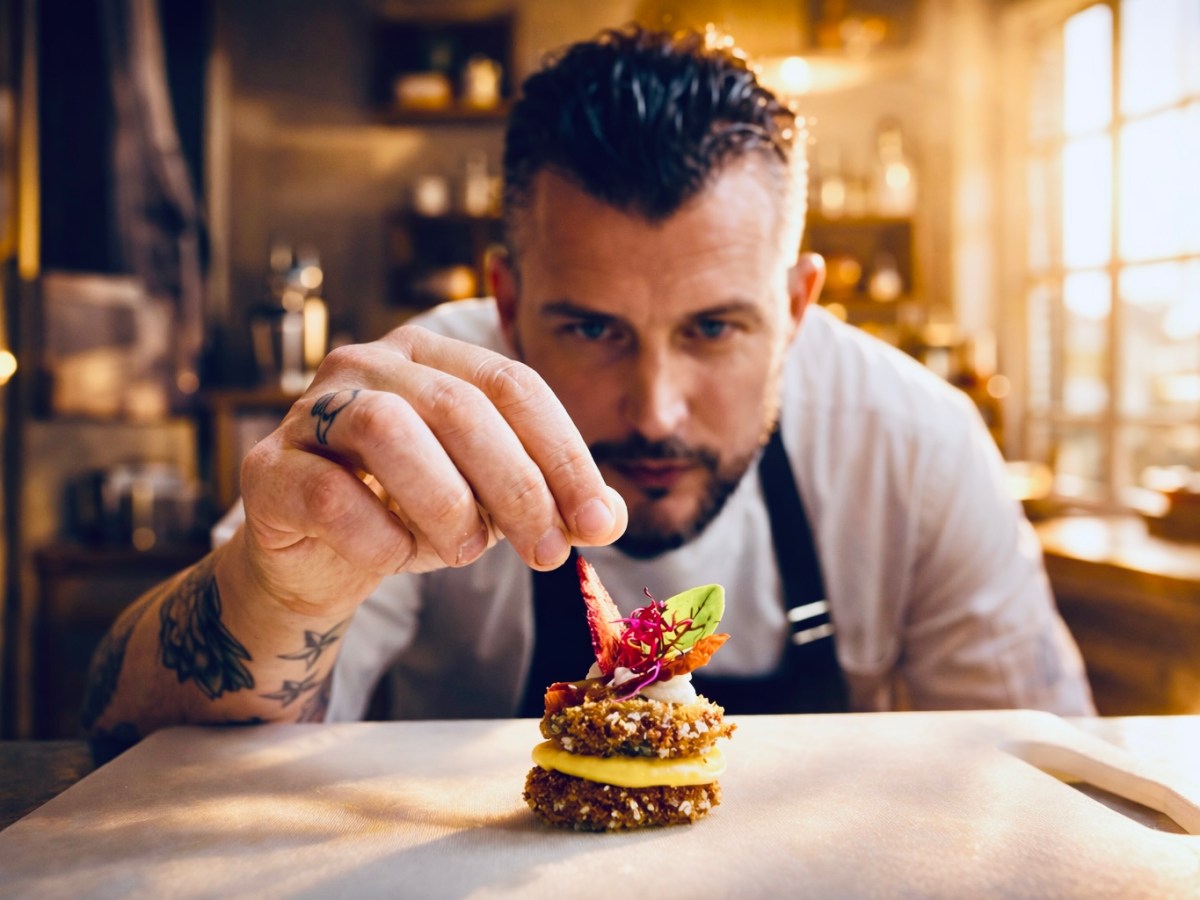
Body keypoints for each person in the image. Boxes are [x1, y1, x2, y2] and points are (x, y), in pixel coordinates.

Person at [81, 25, 1093, 743]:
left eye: (714, 328)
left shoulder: (914, 443)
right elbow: (126, 736)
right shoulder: (408, 422)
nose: (656, 408)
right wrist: (270, 593)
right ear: (506, 304)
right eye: (593, 328)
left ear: (796, 309)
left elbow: (1045, 781)